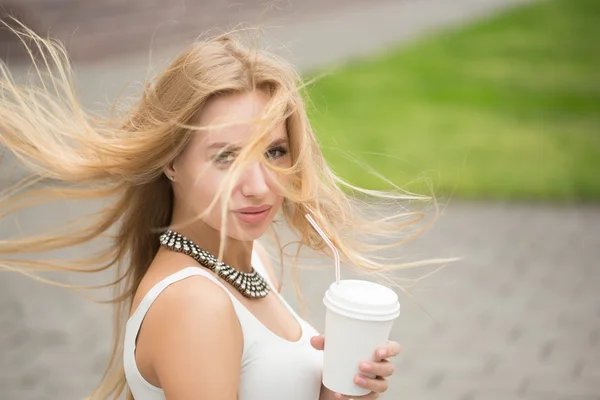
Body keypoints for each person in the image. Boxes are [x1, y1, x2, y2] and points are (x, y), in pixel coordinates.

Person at [0, 22, 440, 400]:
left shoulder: (252, 262)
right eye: (226, 157)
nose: (259, 186)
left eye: (275, 151)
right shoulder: (196, 303)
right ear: (171, 161)